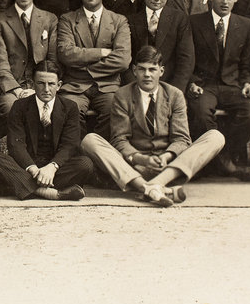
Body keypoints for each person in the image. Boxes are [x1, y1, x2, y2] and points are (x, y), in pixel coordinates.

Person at [81, 46, 225, 207]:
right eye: (142, 69)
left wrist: (167, 156)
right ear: (134, 70)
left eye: (152, 69)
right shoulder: (122, 95)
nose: (147, 75)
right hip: (134, 167)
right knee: (90, 140)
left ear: (161, 71)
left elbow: (182, 139)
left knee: (215, 136)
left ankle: (151, 187)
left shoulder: (174, 94)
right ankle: (153, 189)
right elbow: (119, 140)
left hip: (169, 167)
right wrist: (140, 158)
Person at [186, 0, 250, 181]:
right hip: (205, 85)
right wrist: (191, 81)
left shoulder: (246, 25)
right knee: (201, 113)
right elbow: (187, 59)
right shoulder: (194, 22)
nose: (225, 2)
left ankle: (222, 158)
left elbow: (246, 64)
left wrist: (247, 83)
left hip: (233, 86)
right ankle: (225, 164)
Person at [0, 63, 94, 201]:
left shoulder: (70, 107)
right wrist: (33, 169)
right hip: (27, 166)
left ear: (59, 85)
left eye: (51, 84)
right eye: (41, 83)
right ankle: (51, 193)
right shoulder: (20, 106)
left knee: (85, 164)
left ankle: (18, 185)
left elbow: (70, 145)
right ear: (32, 84)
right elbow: (15, 144)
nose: (46, 89)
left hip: (55, 169)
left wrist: (52, 167)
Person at [57, 0, 132, 139]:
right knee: (69, 110)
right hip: (75, 86)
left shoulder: (119, 21)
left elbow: (123, 60)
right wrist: (100, 53)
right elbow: (66, 53)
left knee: (115, 109)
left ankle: (99, 155)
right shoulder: (67, 20)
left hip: (108, 86)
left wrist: (84, 66)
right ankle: (80, 157)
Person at [0, 0, 58, 140]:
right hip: (11, 88)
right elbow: (0, 64)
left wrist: (40, 87)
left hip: (42, 84)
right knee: (15, 110)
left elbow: (52, 61)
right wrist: (18, 91)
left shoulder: (49, 19)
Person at [125, 0, 194, 92]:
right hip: (137, 84)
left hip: (169, 84)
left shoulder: (179, 19)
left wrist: (174, 91)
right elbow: (125, 59)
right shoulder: (130, 19)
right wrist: (135, 88)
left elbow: (186, 59)